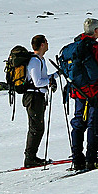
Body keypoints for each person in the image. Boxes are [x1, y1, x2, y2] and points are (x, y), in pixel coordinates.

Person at [69, 18, 98, 170]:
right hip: (96, 93)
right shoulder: (97, 48)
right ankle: (91, 159)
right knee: (94, 124)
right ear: (96, 30)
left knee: (78, 123)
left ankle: (77, 159)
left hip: (79, 92)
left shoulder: (75, 46)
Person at [23, 34, 57, 167]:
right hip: (33, 97)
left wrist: (55, 75)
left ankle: (32, 157)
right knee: (36, 128)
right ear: (42, 45)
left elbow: (42, 79)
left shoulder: (40, 60)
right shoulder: (35, 61)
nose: (48, 44)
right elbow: (37, 82)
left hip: (37, 97)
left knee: (37, 127)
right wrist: (50, 80)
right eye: (46, 42)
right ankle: (30, 158)